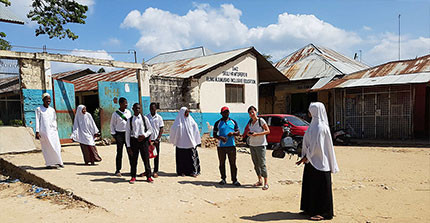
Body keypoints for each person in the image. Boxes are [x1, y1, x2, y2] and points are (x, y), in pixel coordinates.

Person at [296, 102, 339, 221]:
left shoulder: (320, 127)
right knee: (310, 186)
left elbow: (317, 146)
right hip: (311, 161)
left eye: (311, 110)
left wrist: (306, 157)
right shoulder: (313, 125)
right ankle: (310, 209)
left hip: (320, 162)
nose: (309, 112)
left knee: (321, 188)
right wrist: (305, 156)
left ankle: (324, 213)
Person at [213, 106, 241, 186]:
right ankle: (223, 178)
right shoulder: (217, 123)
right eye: (224, 112)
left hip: (231, 146)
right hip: (221, 146)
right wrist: (221, 138)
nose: (226, 113)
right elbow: (214, 134)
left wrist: (233, 133)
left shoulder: (233, 122)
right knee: (222, 163)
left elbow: (238, 132)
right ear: (221, 114)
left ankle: (234, 180)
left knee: (233, 163)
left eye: (227, 111)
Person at [126, 103, 153, 184]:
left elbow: (150, 130)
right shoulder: (129, 120)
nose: (137, 110)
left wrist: (144, 135)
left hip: (143, 141)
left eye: (139, 108)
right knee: (133, 160)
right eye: (136, 108)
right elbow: (127, 133)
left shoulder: (145, 119)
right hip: (134, 141)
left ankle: (149, 176)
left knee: (146, 159)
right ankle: (133, 176)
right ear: (132, 109)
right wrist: (128, 146)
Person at [169, 107, 201, 177]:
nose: (187, 113)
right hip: (180, 144)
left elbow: (195, 131)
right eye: (186, 112)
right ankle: (181, 172)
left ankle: (193, 171)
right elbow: (173, 130)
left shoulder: (191, 121)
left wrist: (196, 141)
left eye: (188, 112)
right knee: (181, 159)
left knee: (191, 158)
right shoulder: (178, 122)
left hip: (190, 143)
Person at [35, 93, 63, 169]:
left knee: (57, 146)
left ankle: (59, 161)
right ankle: (49, 163)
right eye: (47, 99)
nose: (48, 100)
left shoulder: (52, 110)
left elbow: (54, 120)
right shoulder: (39, 109)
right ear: (43, 100)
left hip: (53, 131)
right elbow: (37, 120)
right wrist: (37, 131)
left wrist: (55, 129)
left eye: (49, 99)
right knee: (47, 147)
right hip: (44, 132)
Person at [247, 105, 270, 190]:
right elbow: (248, 132)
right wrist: (249, 134)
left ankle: (266, 182)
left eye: (253, 112)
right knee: (256, 164)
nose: (251, 114)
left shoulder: (261, 121)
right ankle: (259, 180)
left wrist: (257, 134)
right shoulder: (250, 122)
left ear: (256, 112)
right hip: (252, 145)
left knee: (262, 164)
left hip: (261, 145)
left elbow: (268, 131)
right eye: (250, 113)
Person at [110, 97, 132, 176]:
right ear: (120, 104)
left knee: (130, 151)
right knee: (119, 152)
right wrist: (114, 134)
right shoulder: (115, 114)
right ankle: (118, 170)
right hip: (119, 134)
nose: (126, 105)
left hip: (127, 134)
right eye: (124, 103)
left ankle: (132, 169)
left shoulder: (128, 112)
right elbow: (112, 125)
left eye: (126, 103)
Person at [145, 102, 164, 178]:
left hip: (156, 140)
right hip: (148, 140)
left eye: (153, 108)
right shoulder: (146, 117)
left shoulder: (159, 118)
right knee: (147, 156)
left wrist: (158, 139)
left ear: (156, 109)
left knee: (156, 156)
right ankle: (148, 170)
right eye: (150, 108)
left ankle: (155, 171)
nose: (152, 110)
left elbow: (161, 129)